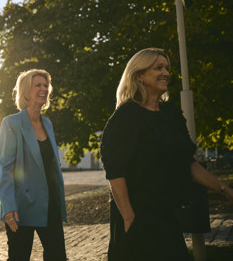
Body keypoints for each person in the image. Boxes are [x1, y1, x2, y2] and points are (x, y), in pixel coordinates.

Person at [100, 48, 233, 260]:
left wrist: (225, 189)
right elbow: (115, 172)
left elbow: (187, 164)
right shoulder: (126, 116)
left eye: (167, 68)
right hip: (137, 217)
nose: (165, 73)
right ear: (139, 75)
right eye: (158, 68)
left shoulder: (170, 114)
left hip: (165, 214)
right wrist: (129, 218)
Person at [0, 69, 67, 261]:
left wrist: (59, 204)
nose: (44, 89)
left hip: (49, 204)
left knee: (58, 256)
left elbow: (51, 166)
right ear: (26, 92)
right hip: (20, 206)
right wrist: (8, 206)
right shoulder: (11, 123)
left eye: (46, 85)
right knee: (19, 257)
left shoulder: (48, 123)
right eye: (38, 85)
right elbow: (4, 167)